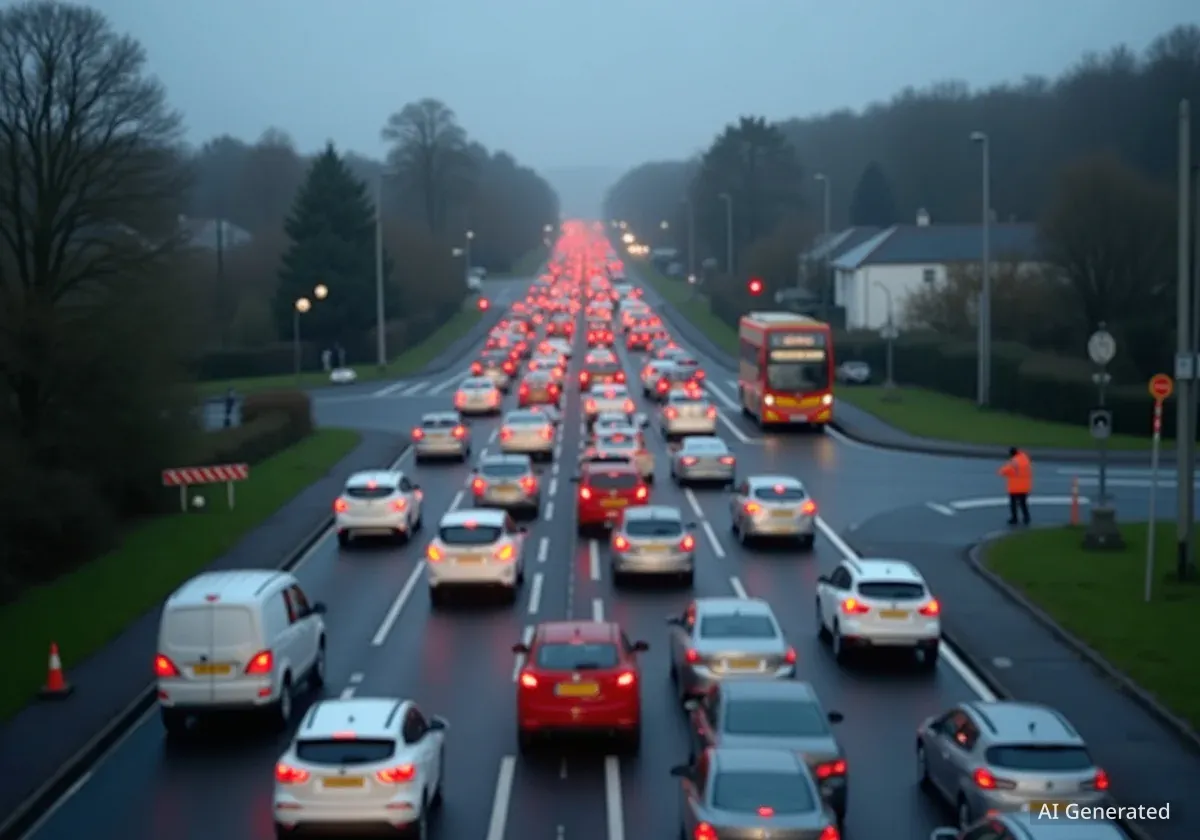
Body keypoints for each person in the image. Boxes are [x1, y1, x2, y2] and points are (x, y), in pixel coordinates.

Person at [998, 446, 1032, 525]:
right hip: (1025, 486)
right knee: (1023, 503)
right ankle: (1026, 517)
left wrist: (1001, 471)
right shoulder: (1025, 458)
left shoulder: (1014, 461)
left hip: (1015, 487)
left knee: (1013, 504)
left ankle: (1014, 518)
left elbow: (1005, 471)